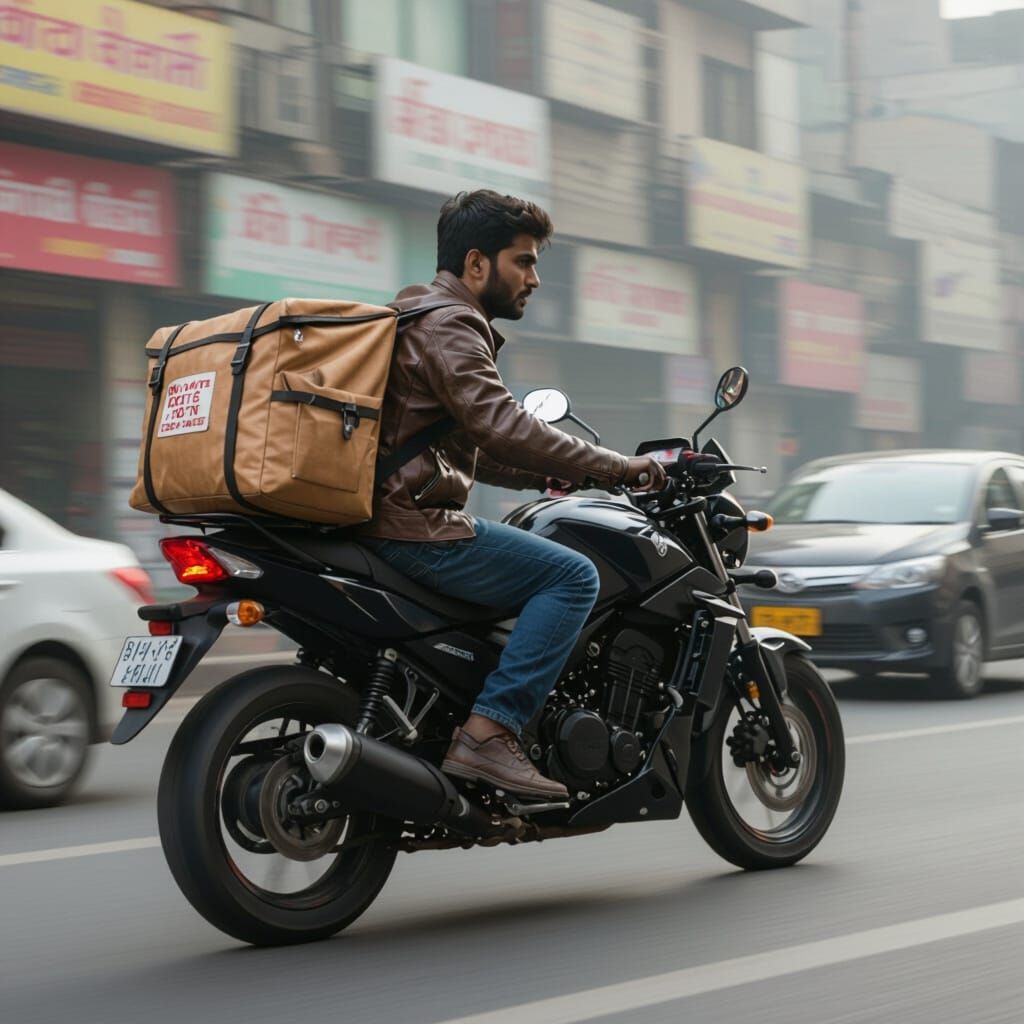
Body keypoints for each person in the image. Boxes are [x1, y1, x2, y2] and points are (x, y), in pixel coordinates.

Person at [361, 190, 666, 800]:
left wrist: (546, 476)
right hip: (415, 527)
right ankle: (489, 733)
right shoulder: (453, 323)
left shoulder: (414, 315)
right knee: (574, 578)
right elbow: (505, 424)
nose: (534, 278)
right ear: (478, 264)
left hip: (382, 518)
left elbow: (473, 443)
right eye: (523, 261)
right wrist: (620, 469)